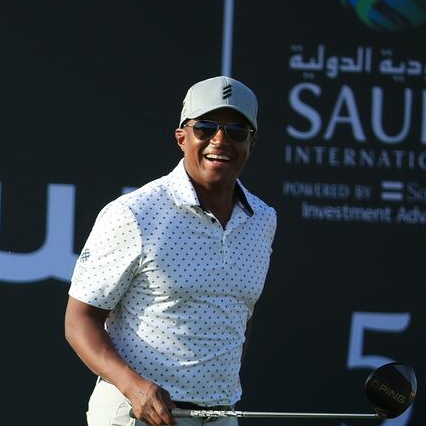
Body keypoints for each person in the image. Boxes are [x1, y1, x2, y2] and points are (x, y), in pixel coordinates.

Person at [65, 76, 277, 426]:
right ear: (182, 137)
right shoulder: (135, 212)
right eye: (205, 128)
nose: (220, 141)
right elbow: (79, 320)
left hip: (221, 414)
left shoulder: (263, 219)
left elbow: (239, 313)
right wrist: (133, 387)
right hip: (136, 412)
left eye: (237, 131)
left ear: (252, 142)